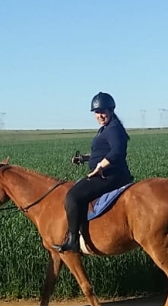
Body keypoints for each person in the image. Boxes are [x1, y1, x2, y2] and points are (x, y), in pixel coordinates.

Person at [53, 92, 134, 253]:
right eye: (97, 112)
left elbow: (117, 151)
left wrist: (99, 167)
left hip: (110, 175)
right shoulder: (105, 129)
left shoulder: (114, 129)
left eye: (103, 111)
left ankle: (73, 240)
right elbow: (102, 152)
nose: (100, 115)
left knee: (72, 196)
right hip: (106, 173)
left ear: (111, 110)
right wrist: (84, 158)